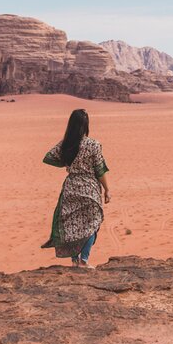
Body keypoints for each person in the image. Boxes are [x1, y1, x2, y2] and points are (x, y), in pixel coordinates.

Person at [41, 109, 111, 268]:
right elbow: (99, 170)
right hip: (89, 189)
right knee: (92, 224)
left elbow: (49, 157)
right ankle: (84, 261)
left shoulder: (65, 144)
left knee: (73, 226)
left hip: (71, 188)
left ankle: (74, 261)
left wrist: (66, 163)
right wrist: (107, 190)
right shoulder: (93, 145)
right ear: (86, 125)